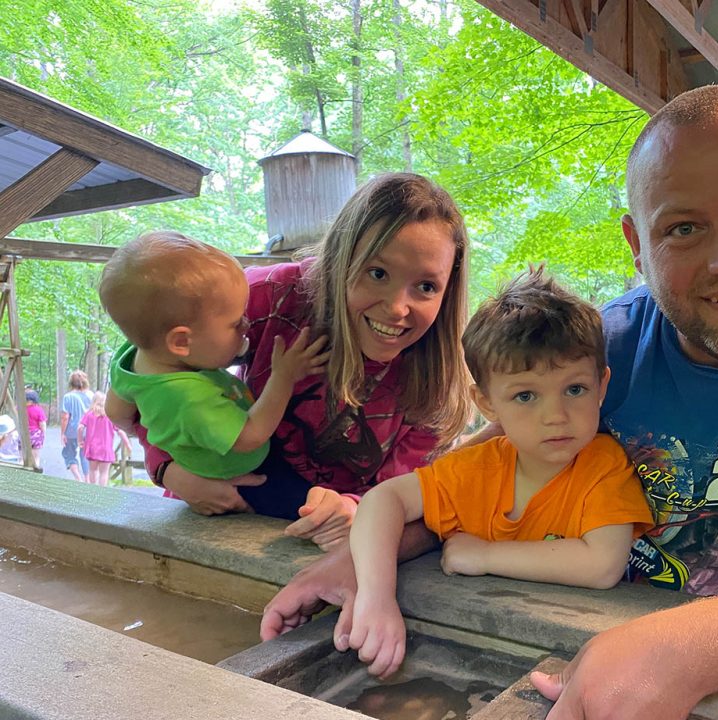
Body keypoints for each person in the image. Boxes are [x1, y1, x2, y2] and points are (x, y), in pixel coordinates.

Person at [261, 85, 718, 720]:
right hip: (605, 693)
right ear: (635, 243)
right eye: (683, 228)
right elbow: (478, 476)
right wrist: (370, 560)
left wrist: (691, 649)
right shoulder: (597, 352)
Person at [133, 174, 473, 552]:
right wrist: (168, 469)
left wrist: (352, 506)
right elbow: (151, 360)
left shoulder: (435, 378)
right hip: (204, 527)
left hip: (325, 552)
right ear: (342, 260)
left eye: (426, 287)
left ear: (448, 290)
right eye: (377, 273)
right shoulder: (269, 296)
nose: (396, 309)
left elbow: (405, 489)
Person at [340, 269, 653, 678]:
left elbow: (602, 565)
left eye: (574, 389)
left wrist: (485, 555)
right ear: (486, 404)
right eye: (525, 396)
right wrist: (376, 598)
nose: (555, 416)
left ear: (602, 385)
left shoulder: (603, 465)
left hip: (581, 662)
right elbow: (385, 499)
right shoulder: (476, 469)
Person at [100, 231, 327, 502]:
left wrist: (162, 431)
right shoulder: (189, 399)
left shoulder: (137, 353)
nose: (247, 324)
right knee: (306, 503)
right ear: (181, 342)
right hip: (234, 473)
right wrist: (284, 377)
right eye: (235, 323)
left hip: (210, 455)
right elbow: (250, 436)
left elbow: (115, 411)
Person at [78, 391, 132, 486]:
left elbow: (80, 427)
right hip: (106, 449)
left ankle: (93, 488)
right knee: (104, 473)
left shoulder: (89, 414)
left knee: (92, 470)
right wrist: (127, 444)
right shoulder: (110, 417)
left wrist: (80, 440)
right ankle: (102, 490)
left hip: (92, 448)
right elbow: (120, 431)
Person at [60, 370, 92, 481]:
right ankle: (87, 479)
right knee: (85, 455)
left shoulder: (68, 397)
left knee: (69, 454)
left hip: (72, 431)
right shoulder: (91, 395)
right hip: (88, 430)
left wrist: (62, 434)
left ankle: (78, 478)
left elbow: (65, 417)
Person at [25, 390, 46, 470]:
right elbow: (42, 424)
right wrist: (43, 433)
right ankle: (35, 472)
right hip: (35, 434)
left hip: (23, 434)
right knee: (36, 457)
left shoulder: (19, 409)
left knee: (22, 457)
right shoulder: (38, 410)